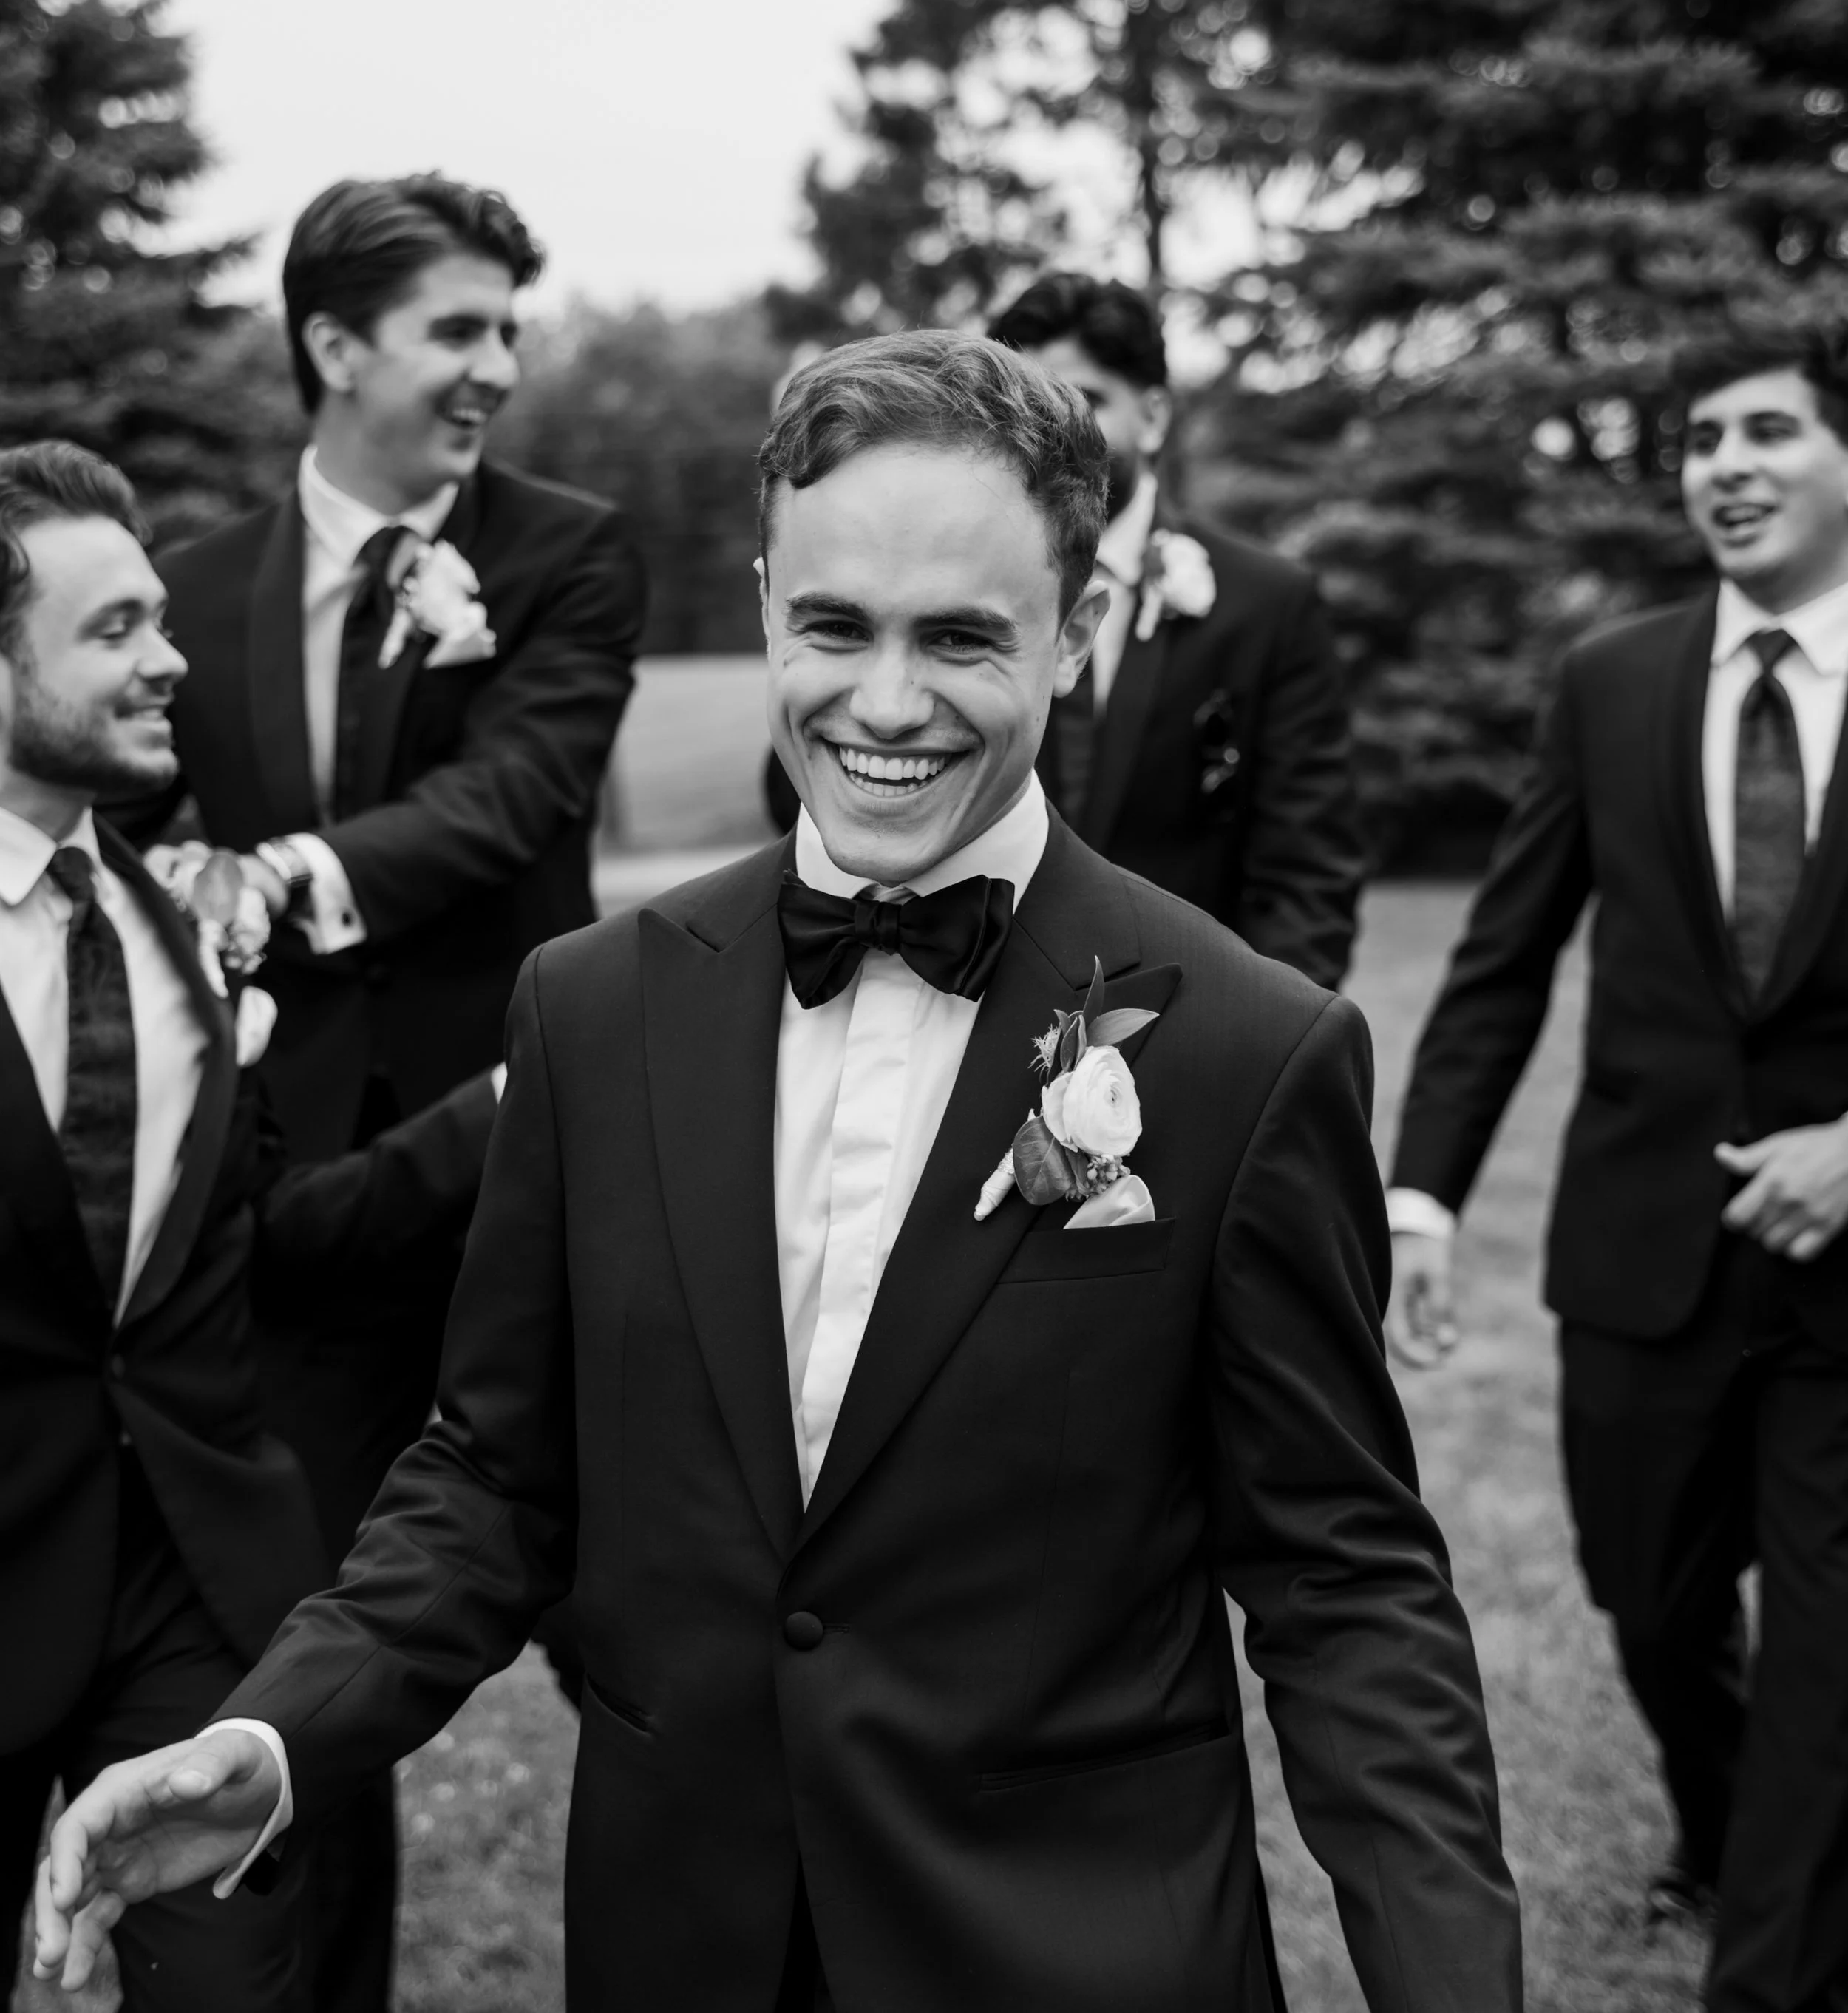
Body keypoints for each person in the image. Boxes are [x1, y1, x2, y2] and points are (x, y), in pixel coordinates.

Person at [38, 333, 1521, 2012]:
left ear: (1080, 631)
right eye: (836, 627)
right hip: (687, 1938)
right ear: (762, 606)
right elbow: (495, 1477)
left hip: (1077, 1950)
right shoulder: (593, 1011)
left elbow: (1345, 1584)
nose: (887, 703)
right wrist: (275, 1730)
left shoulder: (1253, 1052)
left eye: (962, 636)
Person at [110, 173, 645, 2010]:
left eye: (513, 328)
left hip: (547, 1177)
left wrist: (277, 880)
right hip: (308, 1226)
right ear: (335, 347)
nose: (500, 365)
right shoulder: (192, 591)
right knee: (293, 1677)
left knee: (659, 1646)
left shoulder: (569, 551)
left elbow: (520, 793)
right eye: (460, 329)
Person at [1382, 322, 1848, 2012]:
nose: (1724, 461)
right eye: (1702, 436)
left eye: (1769, 428)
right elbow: (1505, 953)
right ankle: (1733, 1831)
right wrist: (1420, 1191)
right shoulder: (1616, 681)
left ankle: (1776, 1962)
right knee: (1648, 1601)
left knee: (1828, 1648)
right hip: (1643, 1246)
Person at [0, 444, 500, 2012]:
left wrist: (500, 1111)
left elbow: (260, 1242)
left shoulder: (182, 933)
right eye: (115, 629)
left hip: (194, 1580)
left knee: (242, 1988)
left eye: (163, 616)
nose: (170, 659)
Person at [988, 271, 1365, 988]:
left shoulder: (1268, 604)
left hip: (1189, 1026)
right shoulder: (952, 597)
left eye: (1081, 400)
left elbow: (1306, 877)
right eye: (1024, 406)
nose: (1047, 434)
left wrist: (1251, 1062)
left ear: (1154, 415)